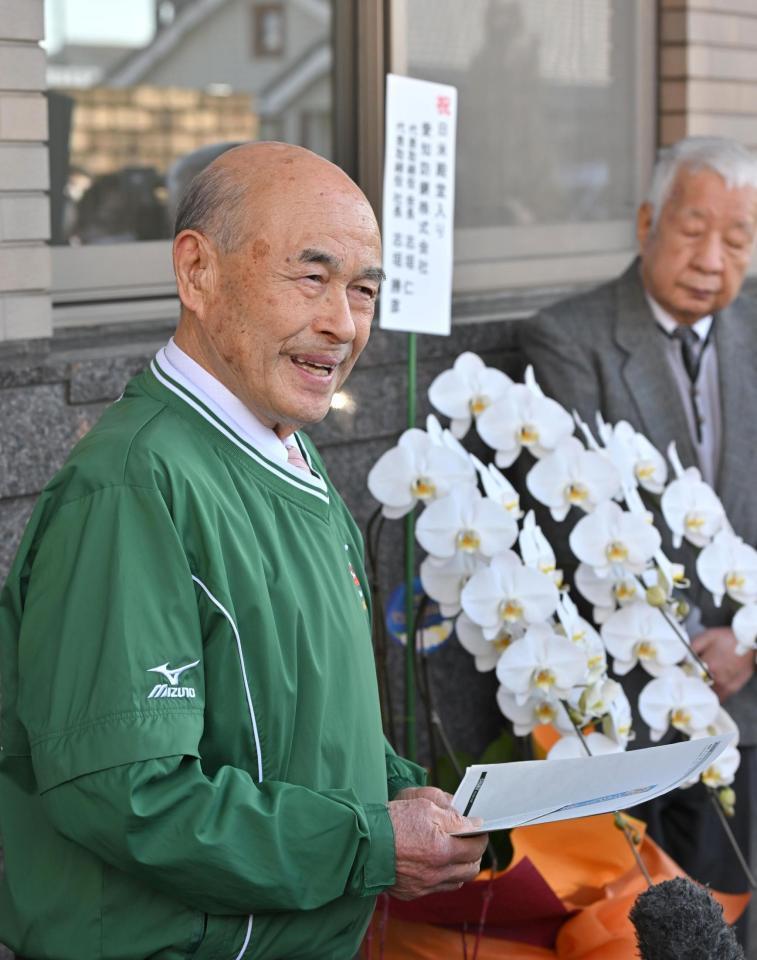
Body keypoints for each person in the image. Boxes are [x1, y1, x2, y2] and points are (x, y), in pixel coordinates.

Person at [0, 142, 488, 960]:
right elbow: (124, 792)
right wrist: (366, 842)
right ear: (198, 272)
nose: (343, 321)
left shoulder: (283, 450)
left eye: (363, 289)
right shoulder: (132, 487)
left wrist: (405, 800)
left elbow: (305, 716)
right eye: (311, 277)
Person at [518, 136, 757, 921]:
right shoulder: (568, 339)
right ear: (647, 221)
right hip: (626, 706)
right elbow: (572, 524)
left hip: (745, 697)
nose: (711, 258)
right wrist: (677, 641)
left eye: (737, 238)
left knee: (733, 921)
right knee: (629, 927)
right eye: (692, 231)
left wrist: (746, 641)